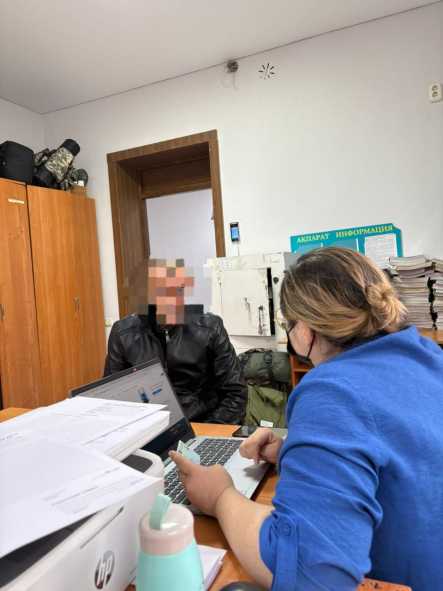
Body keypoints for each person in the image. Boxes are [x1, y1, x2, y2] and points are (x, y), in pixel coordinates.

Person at [170, 247, 443, 591]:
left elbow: (310, 575)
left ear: (304, 330)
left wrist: (220, 496)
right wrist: (293, 451)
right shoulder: (428, 355)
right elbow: (400, 453)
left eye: (288, 325)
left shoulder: (332, 391)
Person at [104, 258, 247, 424]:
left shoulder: (210, 328)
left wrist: (210, 429)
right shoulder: (123, 333)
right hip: (148, 425)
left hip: (201, 422)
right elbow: (110, 396)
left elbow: (236, 393)